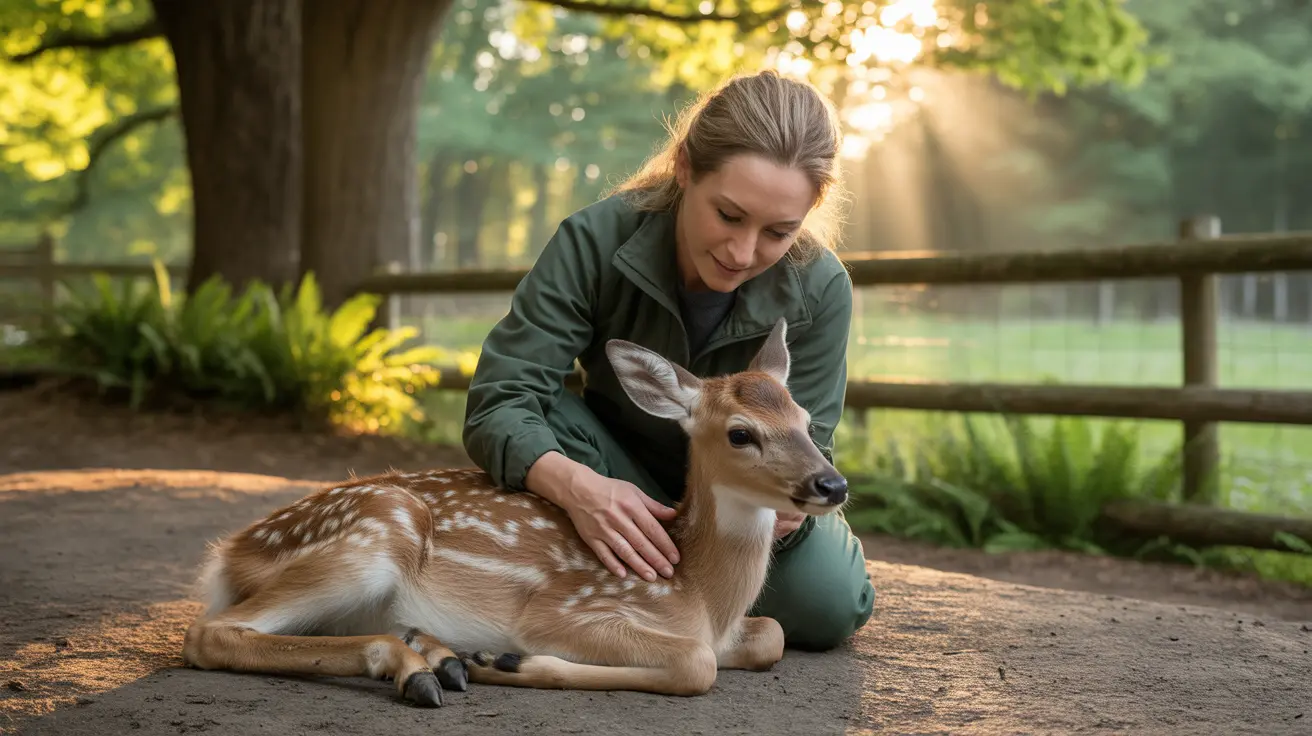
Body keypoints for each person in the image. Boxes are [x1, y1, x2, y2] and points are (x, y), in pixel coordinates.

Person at [462, 69, 875, 651]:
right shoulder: (594, 240)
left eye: (778, 231)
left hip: (741, 495)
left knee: (827, 605)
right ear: (685, 168)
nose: (741, 252)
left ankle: (638, 580)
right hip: (610, 469)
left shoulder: (822, 286)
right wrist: (581, 489)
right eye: (728, 216)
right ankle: (579, 569)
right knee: (545, 417)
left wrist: (785, 511)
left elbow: (811, 441)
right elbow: (502, 400)